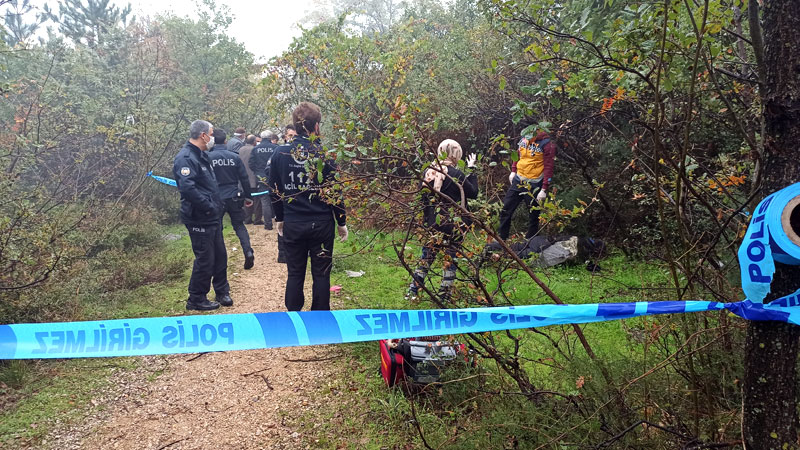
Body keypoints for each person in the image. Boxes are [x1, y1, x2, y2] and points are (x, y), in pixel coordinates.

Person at [269, 102, 348, 311]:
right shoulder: (326, 154)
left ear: (295, 126)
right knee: (321, 274)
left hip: (293, 222)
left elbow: (274, 190)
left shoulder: (280, 153)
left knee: (295, 272)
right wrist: (341, 221)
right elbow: (335, 192)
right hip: (321, 224)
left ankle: (294, 316)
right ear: (317, 126)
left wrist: (280, 218)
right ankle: (320, 319)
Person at [406, 139, 478, 301]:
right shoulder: (457, 175)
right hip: (454, 224)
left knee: (427, 256)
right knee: (450, 258)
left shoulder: (429, 173)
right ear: (456, 154)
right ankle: (444, 294)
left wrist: (426, 221)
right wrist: (472, 170)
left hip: (434, 223)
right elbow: (473, 193)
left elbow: (422, 199)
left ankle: (413, 290)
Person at [172, 120, 232, 311]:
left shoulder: (202, 155)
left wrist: (216, 206)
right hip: (199, 216)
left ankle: (222, 292)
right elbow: (187, 188)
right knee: (205, 258)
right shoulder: (186, 158)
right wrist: (208, 206)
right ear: (203, 135)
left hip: (212, 216)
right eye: (211, 133)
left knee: (220, 255)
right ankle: (196, 298)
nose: (213, 137)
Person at [497, 129, 557, 240]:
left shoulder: (547, 145)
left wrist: (544, 189)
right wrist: (513, 170)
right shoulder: (524, 138)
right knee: (506, 209)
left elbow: (549, 166)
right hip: (518, 180)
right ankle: (501, 239)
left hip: (534, 184)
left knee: (534, 215)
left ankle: (531, 241)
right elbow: (518, 154)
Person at [209, 128, 255, 270]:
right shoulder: (234, 157)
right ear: (225, 141)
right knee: (239, 226)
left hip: (216, 198)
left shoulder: (207, 157)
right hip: (234, 196)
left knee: (217, 228)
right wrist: (248, 196)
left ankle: (219, 260)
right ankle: (248, 251)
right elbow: (244, 178)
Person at [249, 130, 280, 230]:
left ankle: (268, 224)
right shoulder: (276, 148)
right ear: (271, 137)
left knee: (265, 201)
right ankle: (280, 221)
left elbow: (251, 163)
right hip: (274, 176)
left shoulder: (255, 149)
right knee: (276, 198)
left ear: (261, 138)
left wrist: (257, 172)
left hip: (261, 177)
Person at [239, 134, 262, 224]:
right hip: (254, 178)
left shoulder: (240, 150)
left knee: (247, 199)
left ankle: (247, 219)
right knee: (257, 199)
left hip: (243, 178)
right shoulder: (255, 150)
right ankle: (257, 219)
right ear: (254, 142)